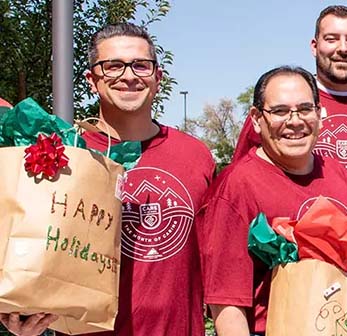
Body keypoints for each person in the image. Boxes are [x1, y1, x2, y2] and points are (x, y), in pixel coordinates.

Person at [0, 23, 215, 336]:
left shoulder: (196, 156)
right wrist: (19, 312)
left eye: (141, 65)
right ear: (91, 80)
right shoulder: (62, 153)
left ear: (158, 78)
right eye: (113, 65)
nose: (128, 76)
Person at [199, 66, 347, 336]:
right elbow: (226, 302)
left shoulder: (335, 172)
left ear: (319, 115)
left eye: (305, 109)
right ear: (257, 119)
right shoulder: (239, 184)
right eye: (280, 111)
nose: (295, 121)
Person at [232, 5, 347, 200]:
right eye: (332, 39)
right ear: (314, 46)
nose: (343, 49)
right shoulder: (275, 109)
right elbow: (241, 180)